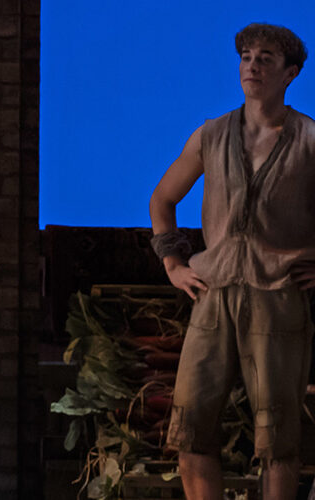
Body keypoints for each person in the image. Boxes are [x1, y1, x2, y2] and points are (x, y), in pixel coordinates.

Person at [149, 23, 312, 500]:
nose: (253, 65)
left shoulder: (309, 140)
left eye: (266, 58)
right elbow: (162, 199)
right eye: (246, 57)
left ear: (291, 72)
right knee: (191, 427)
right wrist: (174, 265)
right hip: (213, 294)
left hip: (278, 298)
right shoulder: (213, 134)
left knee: (278, 440)